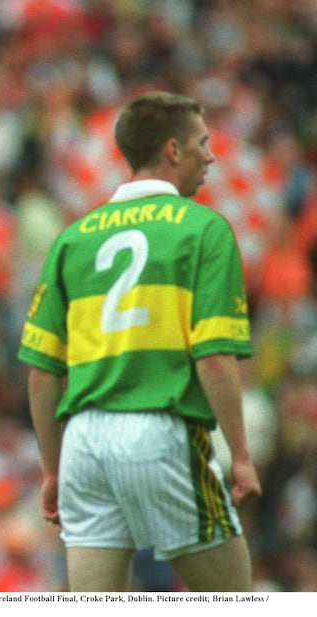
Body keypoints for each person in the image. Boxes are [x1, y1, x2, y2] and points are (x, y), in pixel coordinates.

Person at [17, 91, 262, 592]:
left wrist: (51, 468)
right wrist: (239, 453)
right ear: (173, 150)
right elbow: (213, 357)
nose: (211, 156)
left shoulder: (73, 237)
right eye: (202, 142)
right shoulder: (204, 229)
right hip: (161, 432)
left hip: (84, 444)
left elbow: (43, 372)